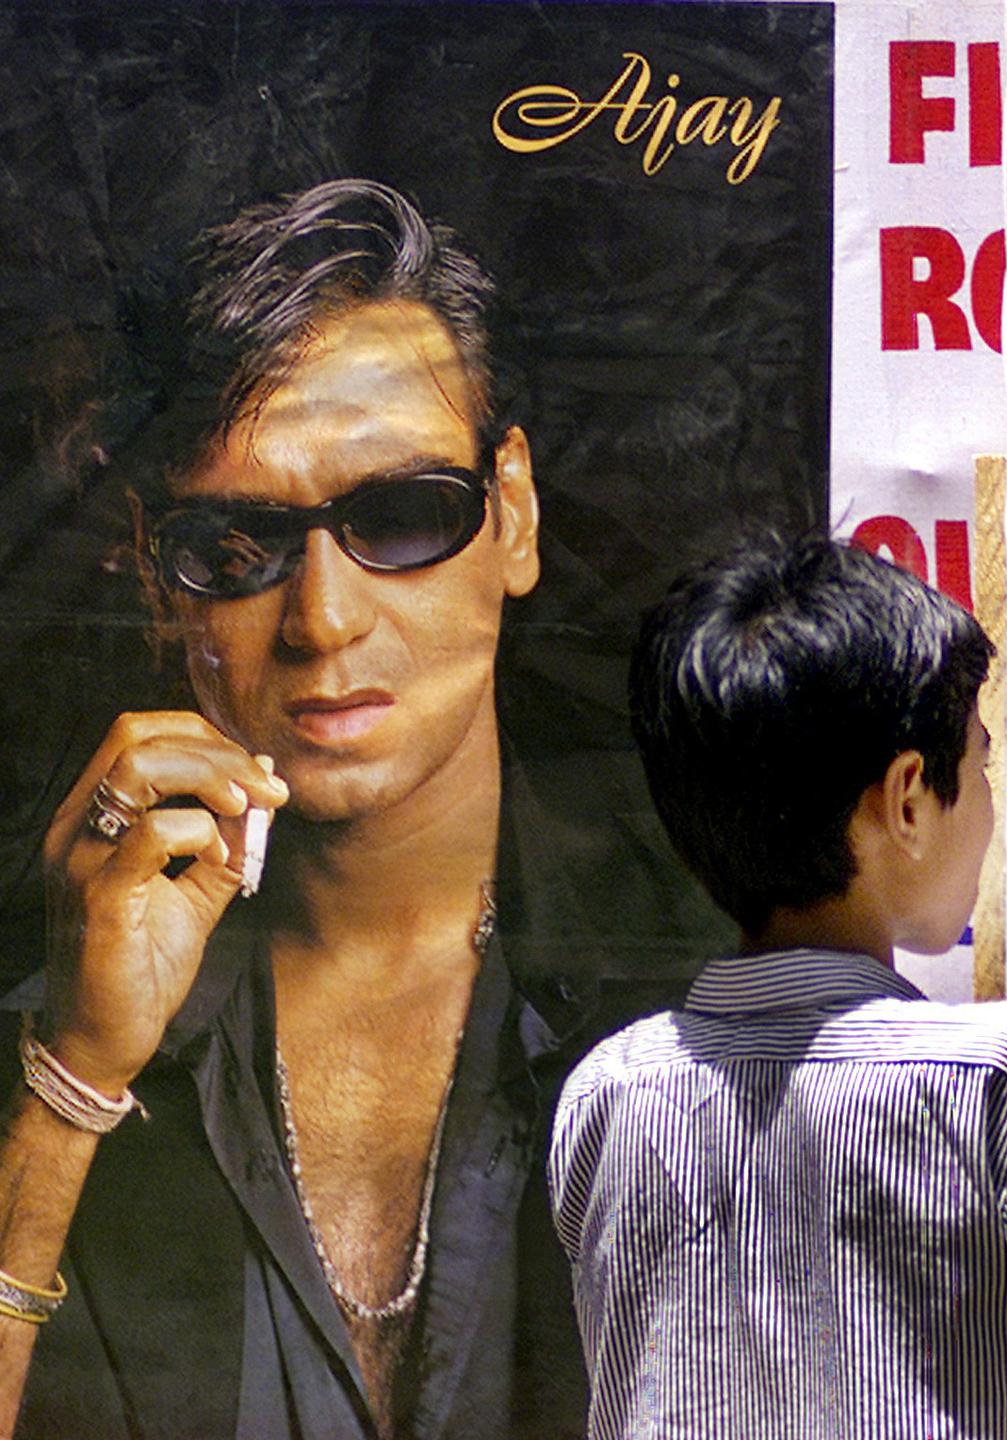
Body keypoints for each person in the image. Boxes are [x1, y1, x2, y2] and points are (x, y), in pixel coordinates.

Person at [0, 178, 730, 1440]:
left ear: (514, 513)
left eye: (401, 515)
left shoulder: (720, 961)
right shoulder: (60, 1014)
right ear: (160, 579)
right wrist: (70, 1081)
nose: (324, 621)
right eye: (236, 547)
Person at [552, 535, 1007, 1440]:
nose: (988, 805)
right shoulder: (1001, 1080)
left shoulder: (608, 1096)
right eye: (977, 765)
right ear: (907, 800)